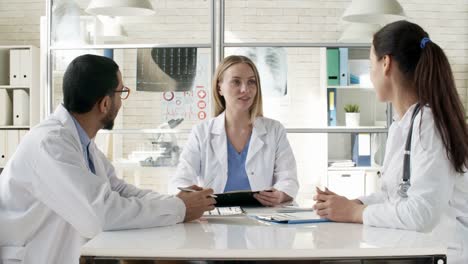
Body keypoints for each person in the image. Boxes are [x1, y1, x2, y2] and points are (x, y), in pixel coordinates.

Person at [0, 54, 216, 264]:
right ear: (105, 103)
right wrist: (179, 208)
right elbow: (100, 215)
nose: (121, 101)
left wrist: (174, 202)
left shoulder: (78, 141)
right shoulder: (51, 143)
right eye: (121, 92)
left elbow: (119, 189)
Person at [313, 21, 468, 263]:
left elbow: (422, 214)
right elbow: (393, 195)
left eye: (369, 64)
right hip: (418, 249)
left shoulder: (427, 125)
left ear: (385, 63)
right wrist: (350, 204)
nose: (370, 74)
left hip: (447, 253)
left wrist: (355, 212)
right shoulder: (403, 123)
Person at [169, 55, 299, 206]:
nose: (245, 89)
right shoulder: (201, 132)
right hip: (214, 216)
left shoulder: (274, 130)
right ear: (220, 88)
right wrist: (189, 196)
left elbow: (288, 177)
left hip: (263, 215)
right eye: (236, 82)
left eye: (251, 82)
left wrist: (281, 194)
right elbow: (181, 178)